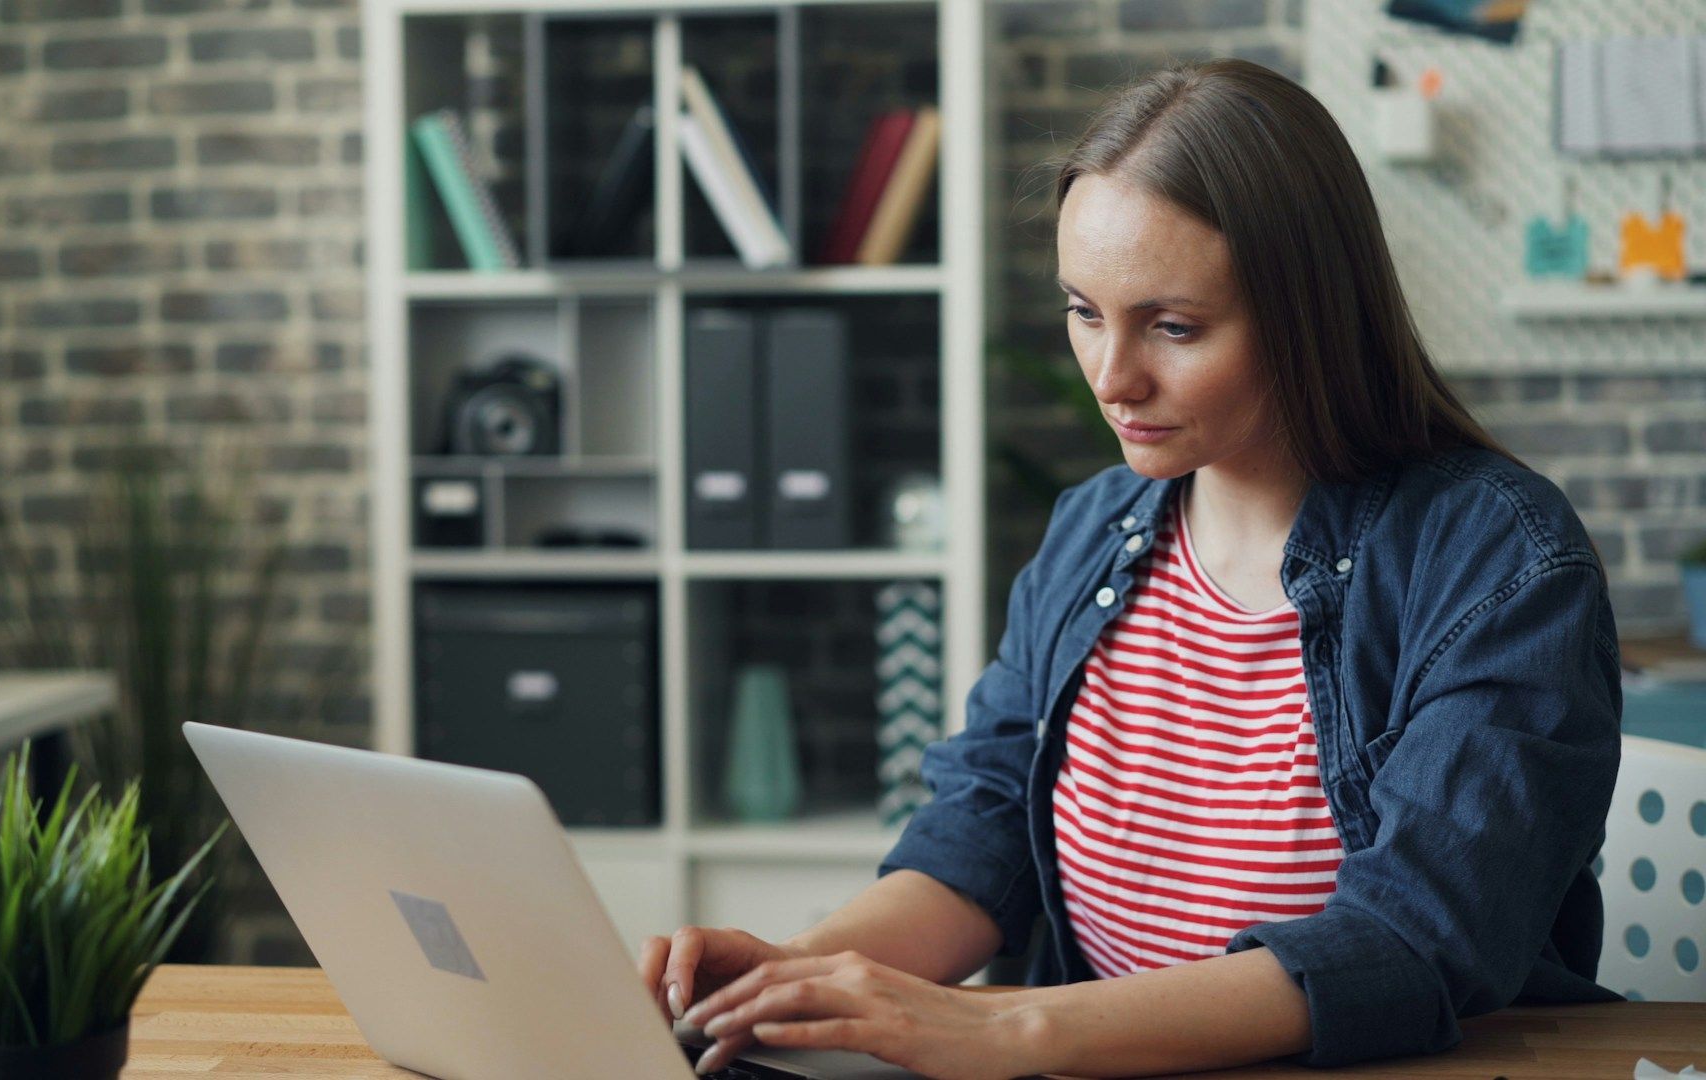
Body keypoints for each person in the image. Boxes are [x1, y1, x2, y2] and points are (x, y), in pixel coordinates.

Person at [636, 58, 1623, 1078]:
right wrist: (795, 975)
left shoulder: (1499, 562)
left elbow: (1415, 937)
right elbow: (983, 834)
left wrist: (1009, 1030)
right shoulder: (1093, 531)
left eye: (1173, 326)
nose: (1114, 377)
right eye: (1084, 311)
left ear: (1313, 313)